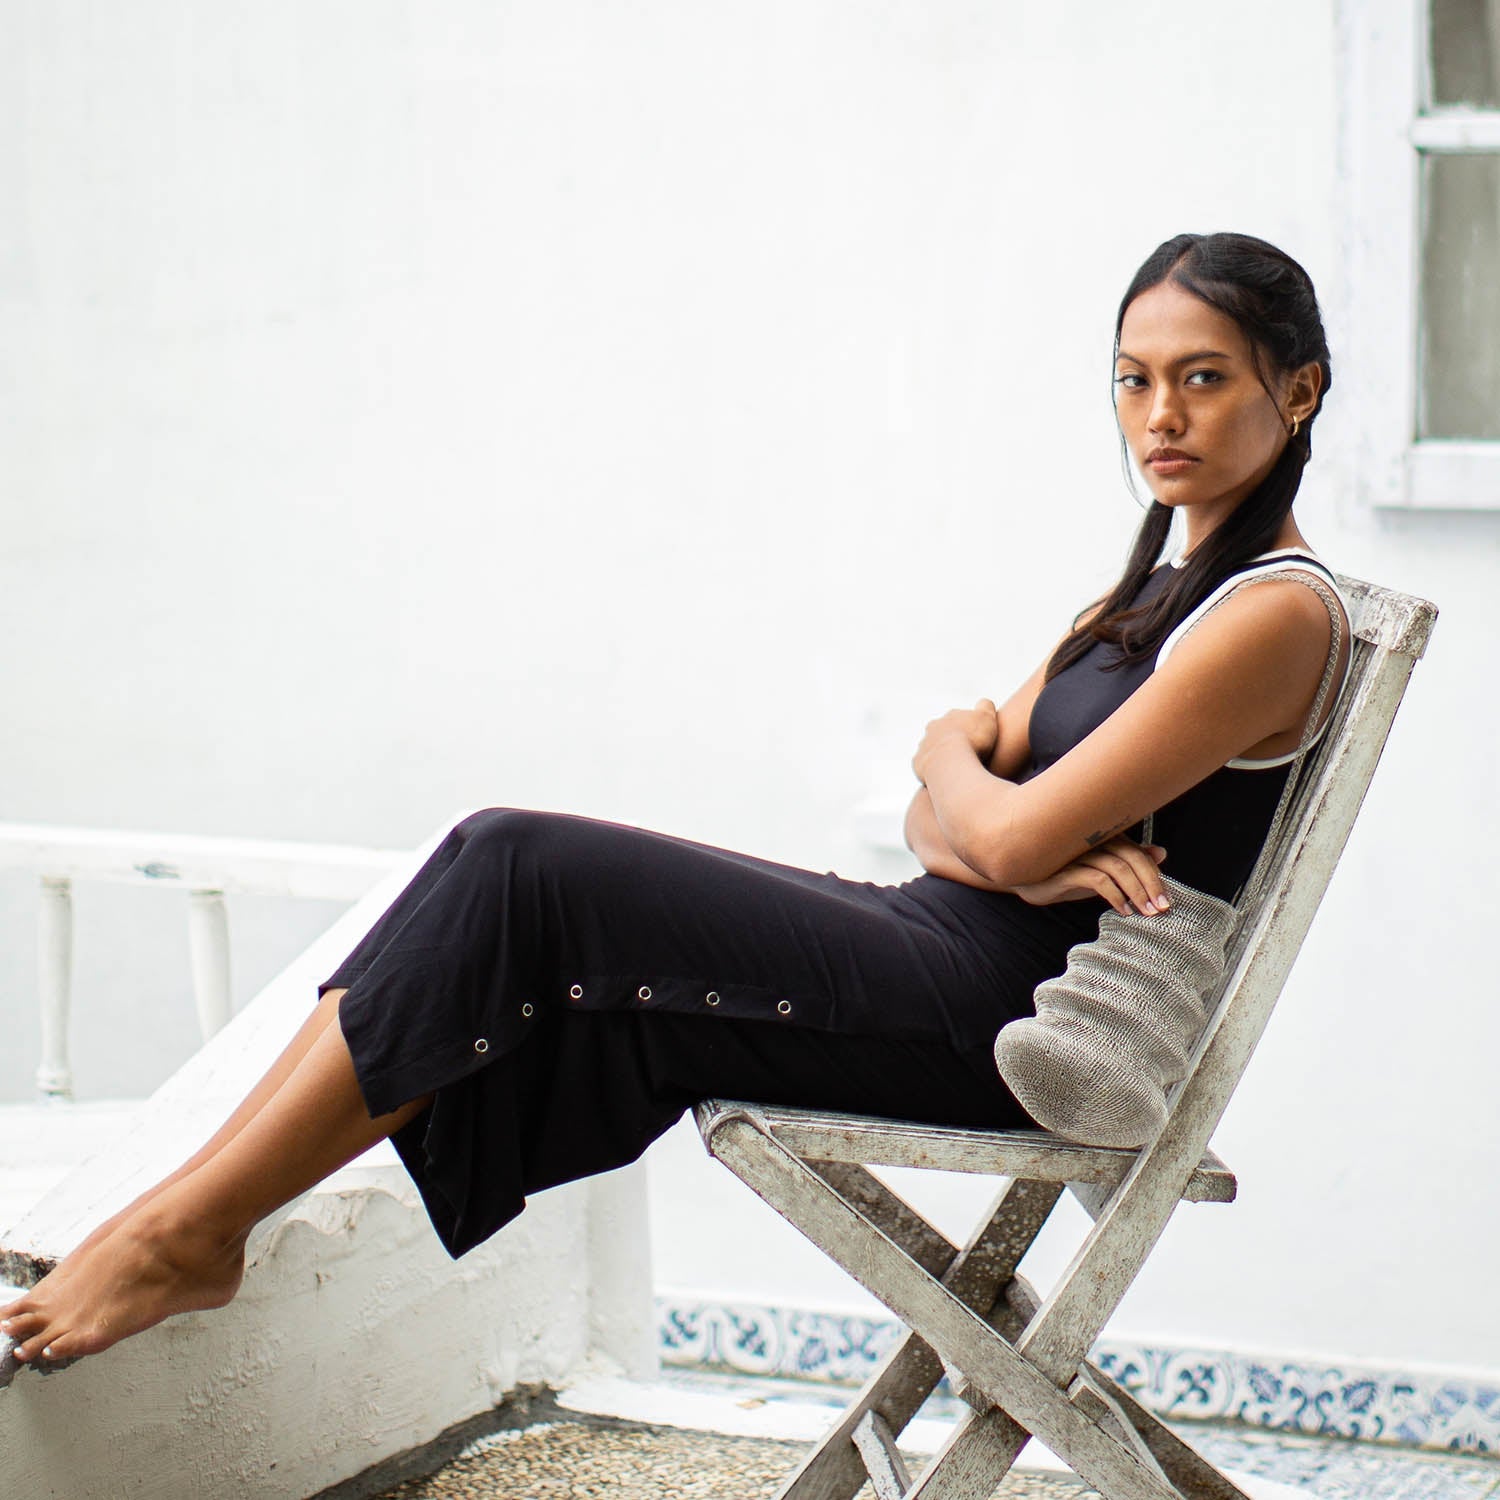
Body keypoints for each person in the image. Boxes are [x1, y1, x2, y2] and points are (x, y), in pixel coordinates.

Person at [0, 229, 1348, 1371]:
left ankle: (192, 1231)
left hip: (998, 1023)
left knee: (522, 868)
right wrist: (976, 797)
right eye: (1133, 380)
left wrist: (978, 792)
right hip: (939, 944)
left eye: (1204, 379)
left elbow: (983, 817)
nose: (1159, 416)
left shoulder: (1269, 619)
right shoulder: (1143, 600)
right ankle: (185, 1218)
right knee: (497, 862)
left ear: (1298, 391)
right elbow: (950, 823)